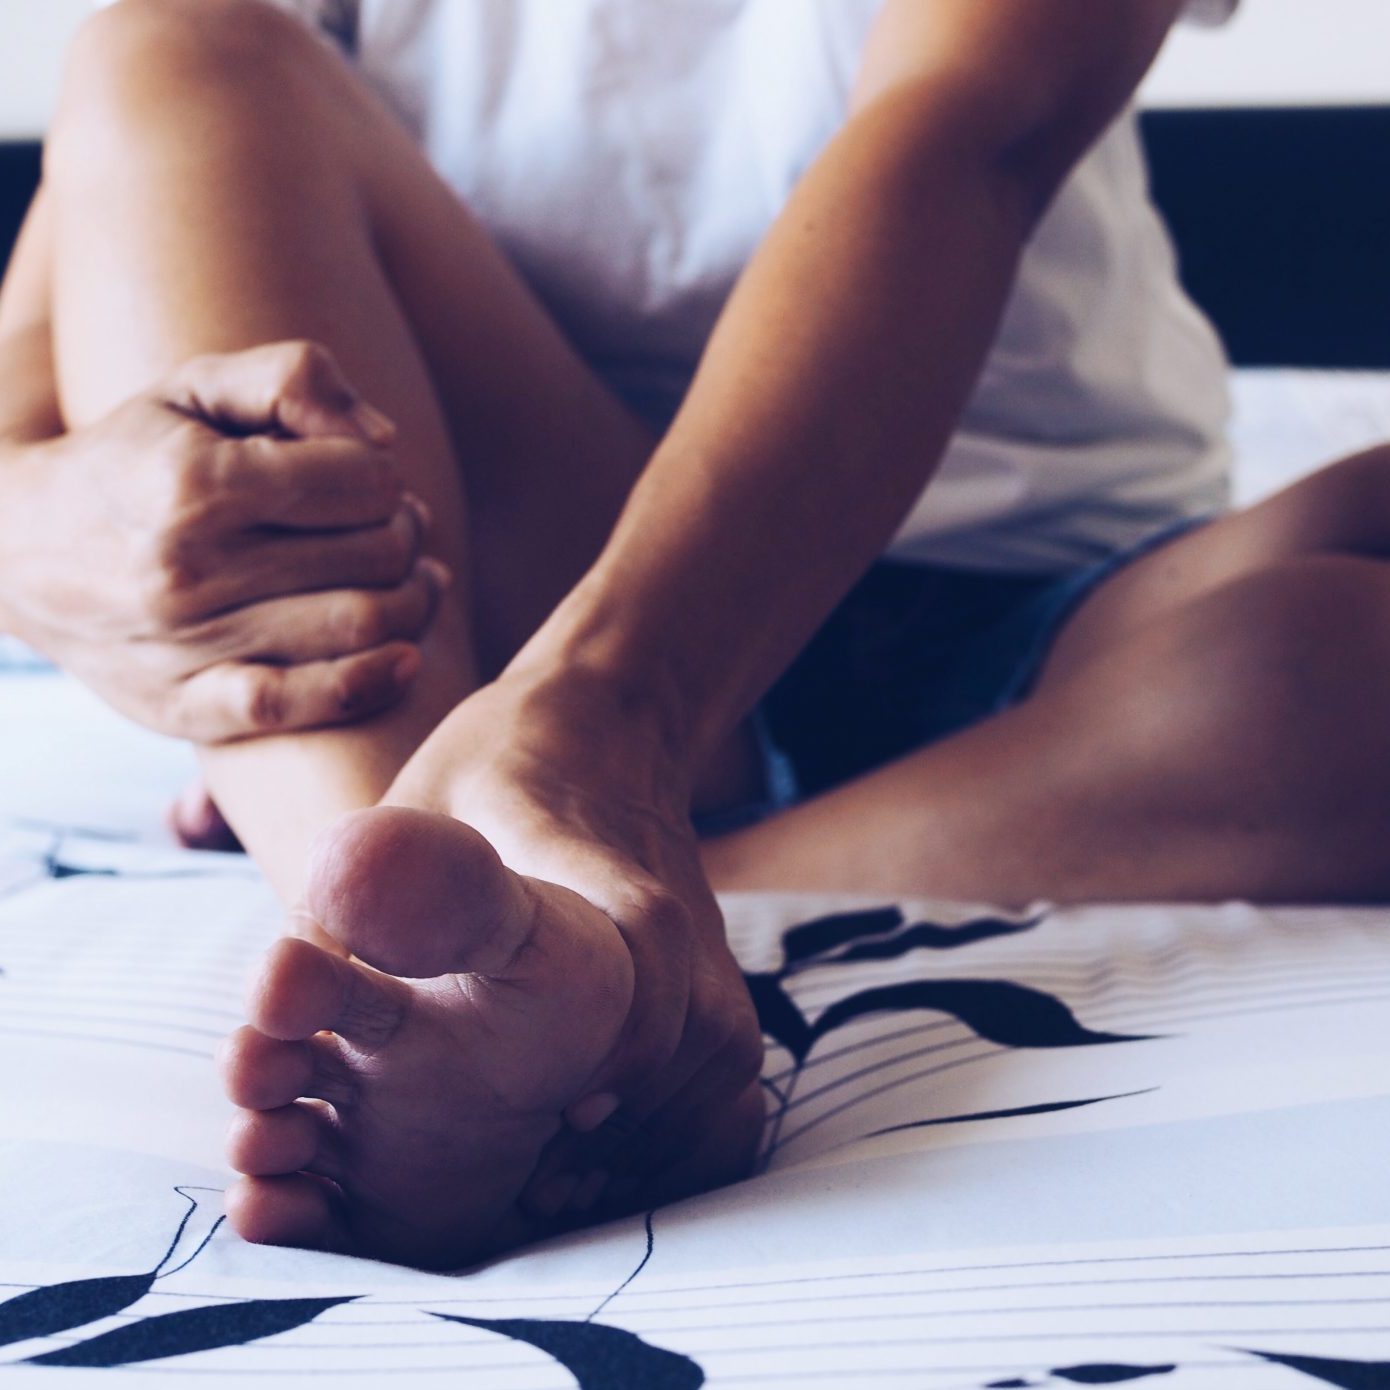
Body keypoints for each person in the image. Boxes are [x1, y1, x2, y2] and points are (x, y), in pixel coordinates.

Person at [1, 0, 1386, 1270]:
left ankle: (549, 906)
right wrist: (45, 539)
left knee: (1331, 649)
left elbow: (967, 136)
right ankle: (433, 933)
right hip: (533, 568)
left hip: (1047, 606)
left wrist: (593, 727)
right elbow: (87, 256)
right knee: (169, 45)